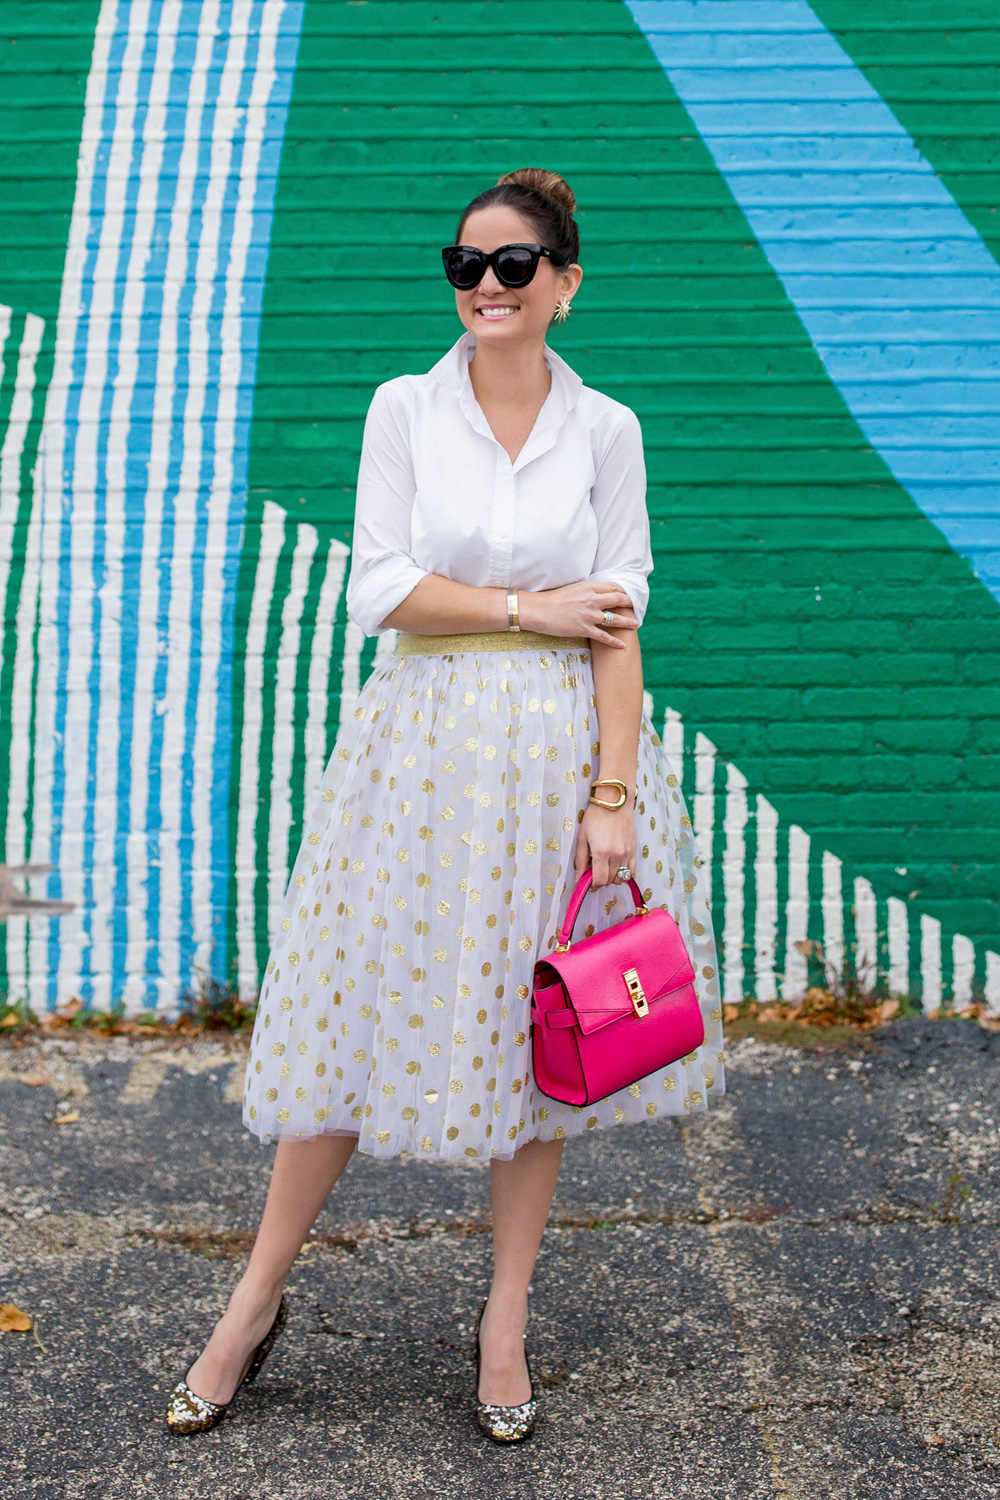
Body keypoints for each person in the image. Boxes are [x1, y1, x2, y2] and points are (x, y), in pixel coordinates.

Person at [164, 167, 724, 1444]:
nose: (484, 285)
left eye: (512, 266)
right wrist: (531, 608)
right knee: (353, 1017)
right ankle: (251, 1305)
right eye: (464, 265)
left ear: (563, 284)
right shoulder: (404, 408)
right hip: (421, 755)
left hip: (556, 761)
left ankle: (505, 1319)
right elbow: (383, 588)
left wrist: (612, 795)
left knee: (541, 1043)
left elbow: (619, 626)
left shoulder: (608, 431)